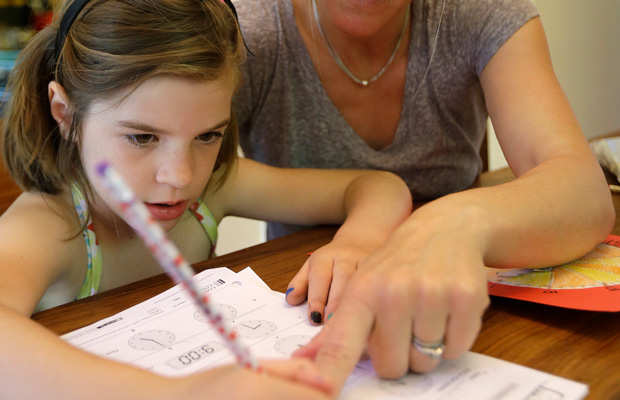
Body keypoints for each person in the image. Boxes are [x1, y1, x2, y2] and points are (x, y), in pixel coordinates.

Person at [0, 0, 413, 398]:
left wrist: (358, 241)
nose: (180, 176)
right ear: (65, 114)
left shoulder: (214, 189)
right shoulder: (49, 225)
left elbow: (379, 186)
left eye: (207, 136)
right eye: (142, 137)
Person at [232, 0, 616, 394]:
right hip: (299, 306)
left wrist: (452, 224)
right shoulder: (246, 30)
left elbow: (584, 190)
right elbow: (181, 175)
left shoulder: (478, 12)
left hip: (467, 312)